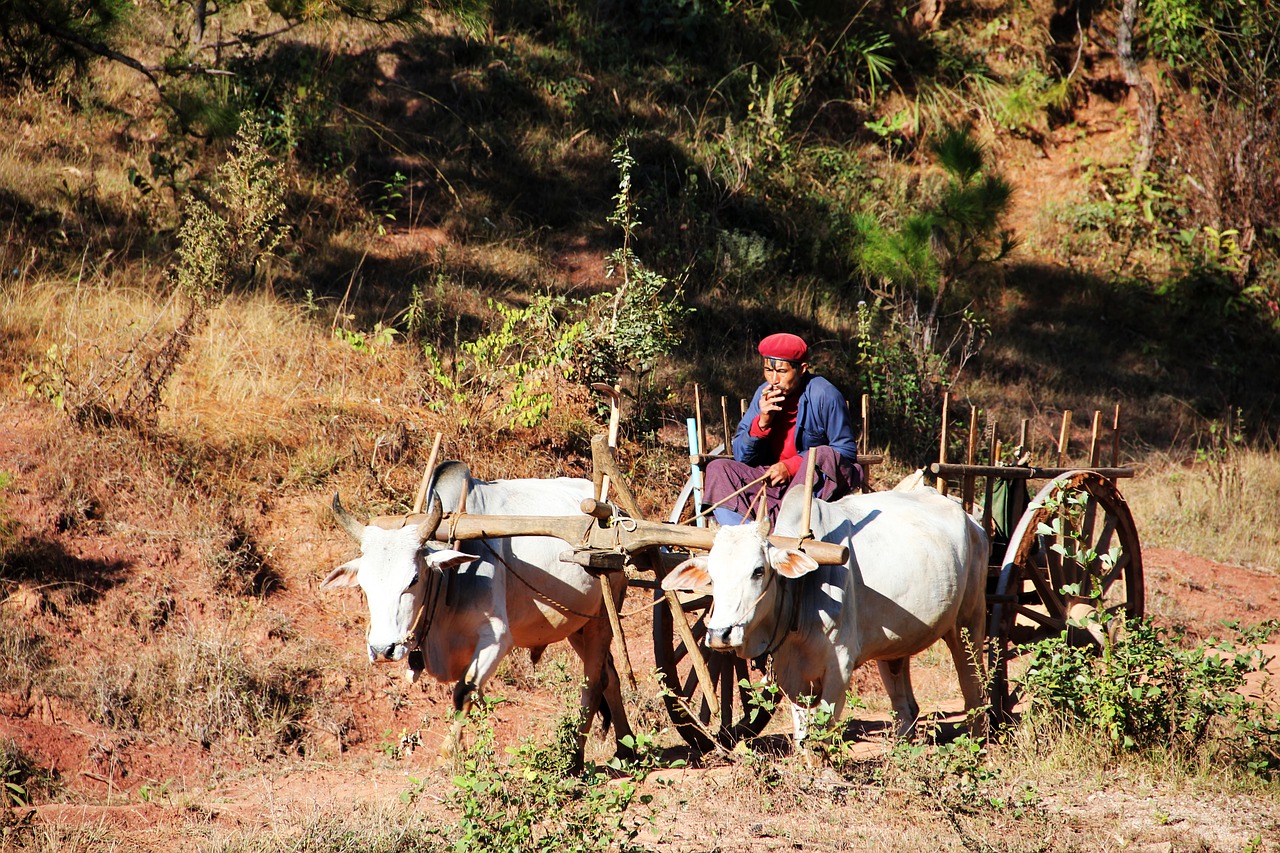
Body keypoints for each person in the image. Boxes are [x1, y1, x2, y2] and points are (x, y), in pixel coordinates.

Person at [702, 332, 861, 527]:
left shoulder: (825, 395)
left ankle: (787, 527)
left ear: (802, 369)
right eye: (768, 370)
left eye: (782, 372)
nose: (774, 379)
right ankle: (742, 536)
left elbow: (846, 451)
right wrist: (763, 423)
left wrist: (792, 467)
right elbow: (741, 457)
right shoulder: (763, 394)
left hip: (810, 485)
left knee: (823, 454)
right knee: (719, 468)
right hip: (771, 481)